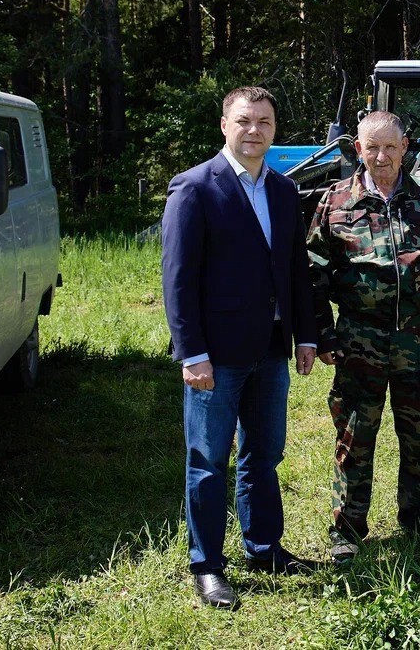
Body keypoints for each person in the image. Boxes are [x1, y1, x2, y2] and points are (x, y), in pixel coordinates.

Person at [161, 86, 318, 610]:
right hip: (216, 354)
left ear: (276, 129)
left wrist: (306, 335)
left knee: (264, 452)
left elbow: (296, 269)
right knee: (208, 459)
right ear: (225, 125)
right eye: (245, 121)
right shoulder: (195, 189)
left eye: (266, 122)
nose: (255, 131)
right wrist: (191, 353)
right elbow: (178, 281)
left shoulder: (283, 190)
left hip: (271, 348)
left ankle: (264, 546)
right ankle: (207, 565)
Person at [308, 111, 420, 562]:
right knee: (355, 436)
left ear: (405, 148)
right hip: (359, 341)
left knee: (419, 435)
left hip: (418, 342)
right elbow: (313, 275)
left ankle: (418, 517)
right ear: (357, 149)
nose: (381, 156)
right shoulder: (337, 201)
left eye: (390, 147)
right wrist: (322, 335)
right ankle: (348, 528)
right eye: (371, 147)